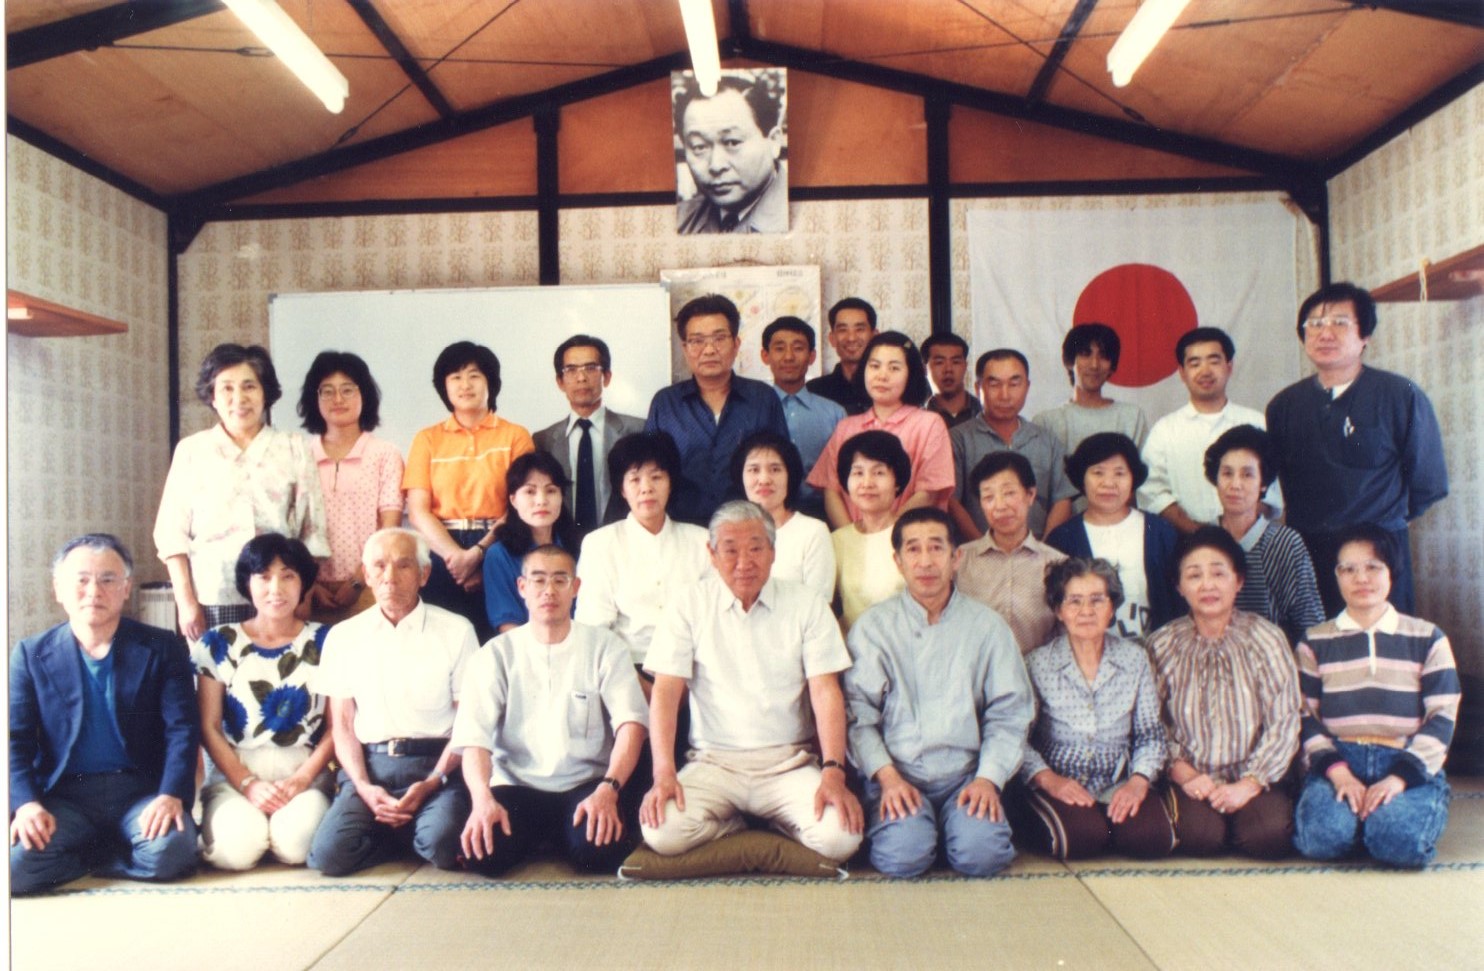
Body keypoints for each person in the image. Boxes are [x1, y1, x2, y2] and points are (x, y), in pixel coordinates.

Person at [639, 502, 864, 863]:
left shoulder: (807, 604)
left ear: (773, 552)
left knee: (841, 837)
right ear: (712, 554)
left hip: (788, 762)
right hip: (714, 763)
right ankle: (739, 827)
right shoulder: (687, 604)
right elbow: (666, 693)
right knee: (662, 830)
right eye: (730, 550)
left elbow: (825, 691)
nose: (744, 563)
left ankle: (775, 822)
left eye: (756, 548)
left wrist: (833, 772)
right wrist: (663, 773)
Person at [843, 508, 1033, 878]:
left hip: (967, 776)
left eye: (936, 548)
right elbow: (857, 714)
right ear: (898, 562)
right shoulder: (873, 628)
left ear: (956, 557)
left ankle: (956, 829)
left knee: (983, 856)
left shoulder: (987, 626)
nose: (926, 561)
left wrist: (988, 779)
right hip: (898, 775)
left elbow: (1010, 713)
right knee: (903, 858)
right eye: (913, 549)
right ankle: (926, 832)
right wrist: (888, 778)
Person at [10, 534, 199, 894]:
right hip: (65, 794)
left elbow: (183, 730)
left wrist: (170, 794)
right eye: (81, 580)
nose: (94, 591)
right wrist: (26, 804)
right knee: (13, 868)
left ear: (126, 588)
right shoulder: (29, 654)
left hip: (140, 790)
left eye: (107, 579)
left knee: (171, 853)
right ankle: (97, 854)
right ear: (58, 589)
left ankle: (103, 853)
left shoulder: (162, 647)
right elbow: (13, 740)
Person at [455, 545, 649, 876]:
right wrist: (482, 800)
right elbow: (474, 739)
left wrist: (609, 789)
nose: (549, 591)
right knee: (483, 856)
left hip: (586, 785)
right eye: (539, 580)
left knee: (598, 853)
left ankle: (554, 837)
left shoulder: (605, 647)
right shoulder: (495, 654)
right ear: (522, 587)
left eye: (560, 580)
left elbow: (632, 725)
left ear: (576, 588)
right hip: (516, 786)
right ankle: (550, 836)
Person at [1265, 282, 1447, 615]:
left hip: (1377, 550)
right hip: (1309, 550)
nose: (1325, 333)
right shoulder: (1283, 405)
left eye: (1339, 322)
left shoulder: (1400, 395)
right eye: (1314, 324)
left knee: (1383, 640)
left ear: (1365, 336)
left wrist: (1385, 520)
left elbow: (1428, 482)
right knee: (1316, 637)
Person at [307, 528, 477, 876]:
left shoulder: (457, 630)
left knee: (443, 844)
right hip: (371, 768)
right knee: (329, 856)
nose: (389, 577)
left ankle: (415, 829)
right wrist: (364, 786)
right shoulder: (343, 637)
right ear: (366, 575)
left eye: (403, 565)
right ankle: (404, 835)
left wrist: (433, 781)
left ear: (424, 574)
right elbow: (342, 726)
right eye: (379, 566)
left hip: (438, 768)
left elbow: (467, 723)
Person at [1293, 523, 1459, 868]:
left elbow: (1442, 715)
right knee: (1321, 839)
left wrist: (1399, 778)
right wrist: (1338, 773)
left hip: (1404, 760)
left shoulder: (1428, 638)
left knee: (1398, 843)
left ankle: (1375, 824)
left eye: (1373, 567)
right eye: (1348, 569)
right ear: (1336, 575)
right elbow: (1304, 715)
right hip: (1338, 761)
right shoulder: (1314, 641)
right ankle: (1359, 825)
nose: (1361, 578)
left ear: (1391, 572)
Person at [154, 342, 328, 639]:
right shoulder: (192, 451)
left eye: (249, 386)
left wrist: (305, 596)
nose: (239, 398)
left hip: (279, 594)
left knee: (278, 667)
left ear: (265, 392)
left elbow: (313, 530)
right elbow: (171, 534)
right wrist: (186, 603)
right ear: (212, 395)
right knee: (216, 668)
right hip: (214, 595)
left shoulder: (293, 447)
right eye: (227, 388)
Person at [1147, 527, 1300, 859]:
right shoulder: (1162, 644)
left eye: (1218, 573)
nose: (1207, 585)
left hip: (1255, 776)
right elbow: (1152, 723)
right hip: (1192, 777)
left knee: (1268, 837)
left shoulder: (1266, 638)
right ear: (1179, 586)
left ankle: (1246, 818)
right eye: (1194, 575)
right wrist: (1184, 773)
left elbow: (1285, 719)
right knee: (1200, 838)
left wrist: (1249, 784)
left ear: (1238, 580)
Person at [1013, 557, 1174, 860]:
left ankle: (1107, 823)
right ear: (1058, 610)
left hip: (1117, 781)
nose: (1086, 611)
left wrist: (1138, 782)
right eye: (1074, 601)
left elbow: (1151, 734)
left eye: (1097, 600)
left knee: (1152, 839)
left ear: (1112, 608)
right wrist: (1050, 780)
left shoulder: (1134, 659)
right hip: (1058, 781)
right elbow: (1017, 738)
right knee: (1082, 839)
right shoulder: (1037, 664)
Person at [194, 534, 333, 871]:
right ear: (247, 583)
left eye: (288, 576)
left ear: (304, 583)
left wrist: (301, 780)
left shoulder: (326, 641)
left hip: (303, 772)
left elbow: (336, 728)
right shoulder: (218, 642)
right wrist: (248, 783)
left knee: (297, 845)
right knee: (237, 851)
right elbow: (208, 726)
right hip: (235, 774)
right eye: (264, 577)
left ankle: (276, 831)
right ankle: (249, 829)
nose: (276, 589)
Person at [404, 340, 535, 642]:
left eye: (474, 375)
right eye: (455, 377)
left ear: (491, 382)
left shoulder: (515, 435)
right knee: (441, 642)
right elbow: (418, 511)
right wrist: (457, 559)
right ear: (444, 387)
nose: (465, 385)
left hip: (500, 543)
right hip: (440, 549)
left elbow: (522, 504)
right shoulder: (427, 439)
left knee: (499, 640)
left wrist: (478, 554)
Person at [575, 432, 711, 686]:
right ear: (622, 489)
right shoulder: (600, 544)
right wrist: (640, 687)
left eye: (656, 477)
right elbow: (593, 631)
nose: (646, 488)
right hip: (625, 671)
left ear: (671, 483)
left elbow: (713, 622)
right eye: (635, 479)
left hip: (695, 672)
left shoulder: (701, 541)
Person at [645, 294, 789, 526]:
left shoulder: (762, 398)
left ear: (736, 344)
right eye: (697, 341)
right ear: (685, 348)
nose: (709, 350)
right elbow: (649, 468)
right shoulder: (665, 403)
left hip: (748, 525)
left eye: (719, 338)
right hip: (682, 526)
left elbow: (783, 464)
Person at [297, 351, 404, 624]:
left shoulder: (385, 454)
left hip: (371, 584)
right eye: (327, 391)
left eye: (347, 390)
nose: (338, 399)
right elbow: (292, 529)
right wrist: (309, 584)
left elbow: (390, 527)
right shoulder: (300, 455)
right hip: (308, 592)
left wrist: (359, 580)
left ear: (364, 395)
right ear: (314, 398)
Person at [1138, 327, 1279, 534]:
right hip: (1188, 541)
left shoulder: (1257, 422)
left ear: (1229, 367)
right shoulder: (1165, 430)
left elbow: (1273, 491)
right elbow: (1152, 493)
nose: (1205, 371)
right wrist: (1197, 532)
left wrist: (1238, 530)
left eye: (1214, 361)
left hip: (1252, 539)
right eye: (1195, 363)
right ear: (1182, 373)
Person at [807, 331, 954, 529]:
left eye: (894, 368)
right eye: (875, 366)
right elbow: (831, 491)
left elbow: (929, 492)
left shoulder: (929, 424)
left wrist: (886, 535)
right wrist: (851, 536)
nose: (882, 376)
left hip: (908, 537)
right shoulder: (846, 427)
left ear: (910, 374)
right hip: (853, 540)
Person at [1046, 433, 1179, 640]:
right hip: (1086, 654)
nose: (1108, 483)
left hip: (1158, 651)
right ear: (1082, 478)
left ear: (1133, 478)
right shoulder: (1062, 539)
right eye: (1098, 473)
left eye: (1119, 473)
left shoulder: (1161, 532)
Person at [1205, 425, 1324, 647]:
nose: (1235, 485)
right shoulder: (1201, 542)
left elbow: (1310, 625)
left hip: (1273, 661)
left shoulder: (1285, 544)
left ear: (1263, 484)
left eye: (1247, 475)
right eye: (1227, 473)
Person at [949, 349, 1075, 542]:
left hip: (1039, 552)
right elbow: (952, 502)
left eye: (1014, 384)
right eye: (994, 384)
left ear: (1027, 387)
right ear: (978, 388)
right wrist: (982, 550)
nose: (1005, 395)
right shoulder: (958, 439)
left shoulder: (1047, 441)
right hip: (976, 552)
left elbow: (1062, 499)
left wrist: (1043, 550)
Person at [954, 452, 1067, 654]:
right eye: (988, 497)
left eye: (1009, 493)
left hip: (1037, 671)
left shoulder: (1058, 564)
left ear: (1030, 495)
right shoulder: (959, 561)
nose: (1000, 506)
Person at [533, 335, 645, 536]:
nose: (581, 377)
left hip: (622, 542)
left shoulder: (638, 430)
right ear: (560, 381)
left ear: (607, 377)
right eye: (571, 370)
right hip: (563, 545)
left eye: (591, 368)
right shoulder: (543, 440)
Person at [673, 72, 787, 234]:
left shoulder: (803, 213)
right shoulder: (677, 221)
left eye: (732, 142)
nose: (716, 165)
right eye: (699, 147)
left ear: (774, 141)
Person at [483, 451, 581, 635]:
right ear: (513, 500)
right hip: (524, 648)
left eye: (551, 490)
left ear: (562, 496)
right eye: (530, 491)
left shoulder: (579, 547)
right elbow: (507, 625)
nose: (541, 501)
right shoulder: (499, 555)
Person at [731, 430, 835, 603]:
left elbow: (819, 606)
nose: (764, 479)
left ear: (790, 476)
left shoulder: (813, 532)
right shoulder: (728, 532)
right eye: (754, 470)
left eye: (775, 469)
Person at [759, 315, 846, 519]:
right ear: (765, 355)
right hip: (764, 512)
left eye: (798, 348)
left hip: (822, 512)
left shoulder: (835, 413)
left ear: (812, 356)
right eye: (779, 348)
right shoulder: (753, 410)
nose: (789, 357)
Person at [831, 431, 911, 633]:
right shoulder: (837, 540)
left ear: (897, 482)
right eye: (858, 473)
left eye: (879, 473)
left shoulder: (912, 535)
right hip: (853, 647)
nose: (867, 483)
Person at [1032, 323, 1149, 455]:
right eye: (1085, 354)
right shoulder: (1047, 422)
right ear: (1069, 362)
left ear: (1112, 366)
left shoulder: (1132, 417)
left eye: (1103, 356)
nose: (1094, 365)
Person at [805, 297, 876, 415]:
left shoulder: (886, 386)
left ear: (874, 336)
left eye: (859, 329)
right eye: (843, 330)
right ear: (832, 339)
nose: (851, 338)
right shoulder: (814, 391)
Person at [921, 333, 981, 428]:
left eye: (955, 362)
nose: (948, 369)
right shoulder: (917, 420)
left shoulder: (986, 415)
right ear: (924, 369)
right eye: (939, 362)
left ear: (965, 366)